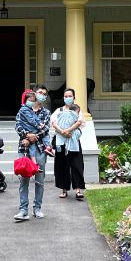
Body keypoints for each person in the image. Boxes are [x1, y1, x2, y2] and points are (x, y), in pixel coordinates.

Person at [14, 89, 48, 221]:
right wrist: (27, 136)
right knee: (24, 179)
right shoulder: (22, 110)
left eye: (44, 94)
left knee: (39, 180)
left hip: (39, 149)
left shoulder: (45, 112)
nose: (41, 95)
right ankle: (23, 210)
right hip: (24, 148)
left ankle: (37, 208)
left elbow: (45, 129)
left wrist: (33, 137)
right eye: (39, 92)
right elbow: (17, 126)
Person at [52, 88, 86, 200]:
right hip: (61, 142)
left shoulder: (78, 110)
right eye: (66, 96)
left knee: (77, 165)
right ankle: (64, 190)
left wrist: (69, 131)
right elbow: (53, 123)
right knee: (62, 166)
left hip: (74, 142)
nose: (68, 98)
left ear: (74, 97)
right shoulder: (59, 110)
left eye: (70, 96)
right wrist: (62, 132)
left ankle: (78, 190)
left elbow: (79, 122)